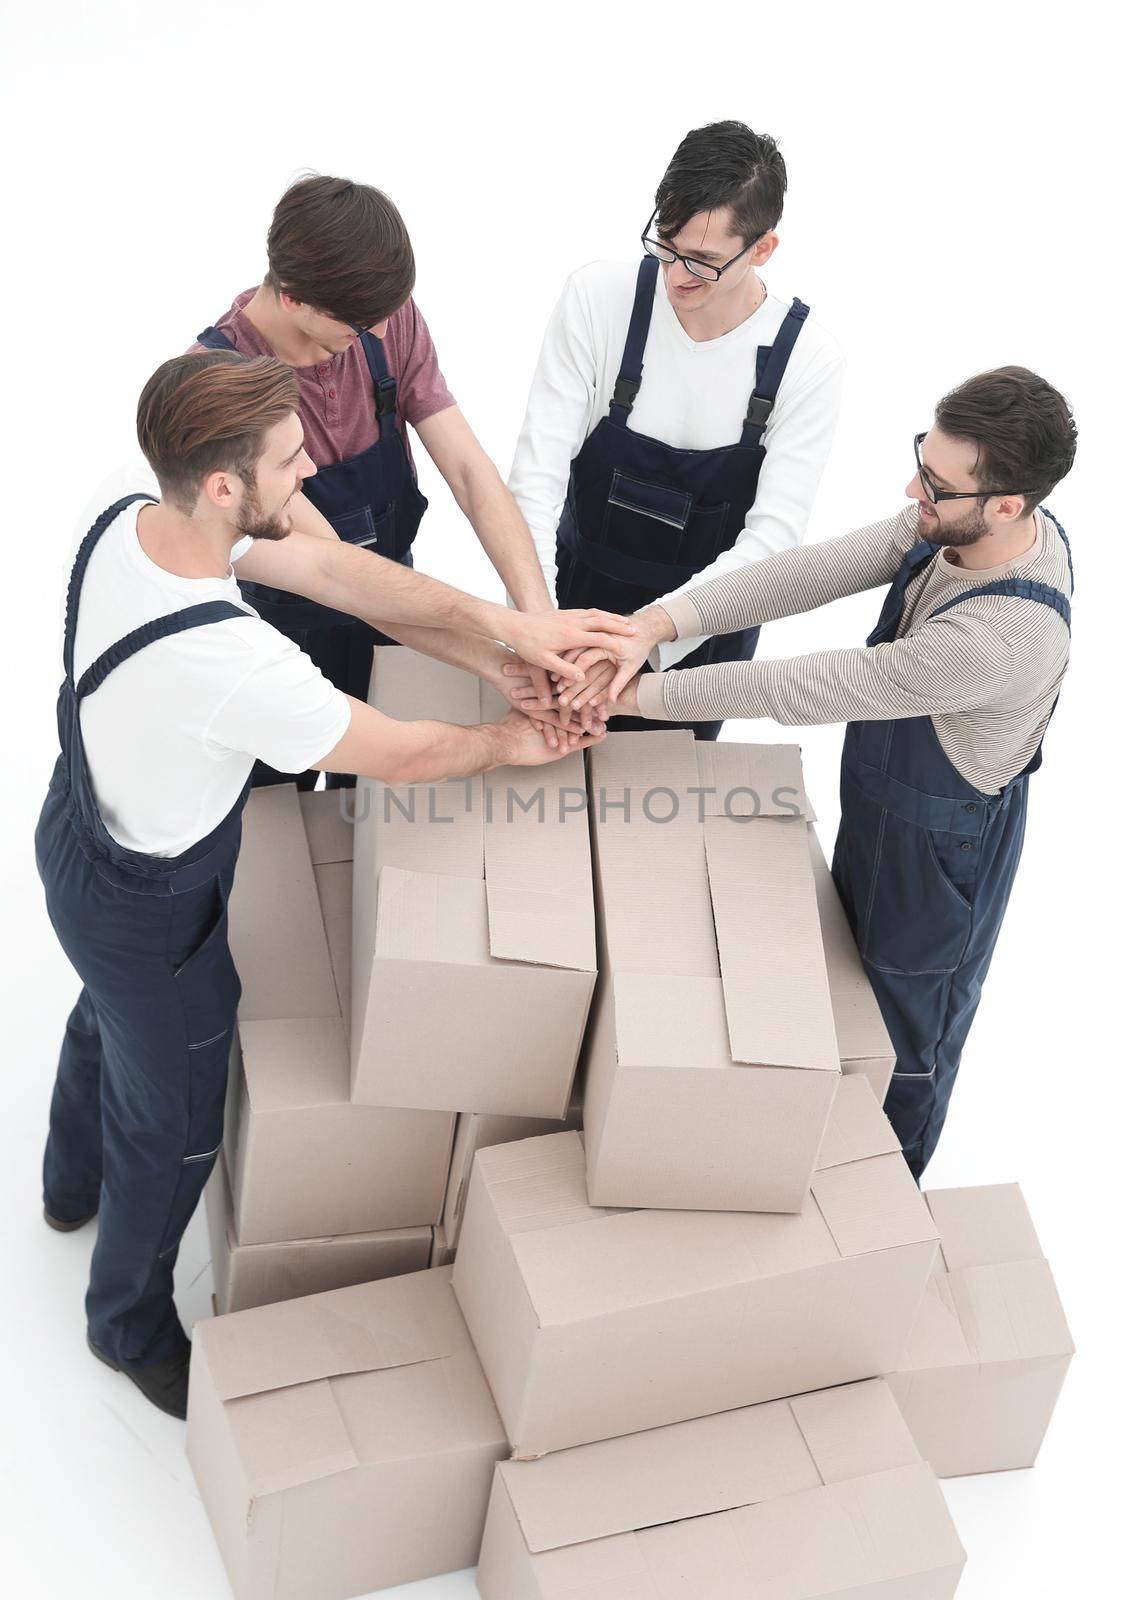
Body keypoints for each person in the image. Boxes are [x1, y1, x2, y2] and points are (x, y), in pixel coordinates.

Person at [37, 350, 623, 1418]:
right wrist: (506, 744)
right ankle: (124, 1322)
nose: (308, 473)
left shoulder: (119, 512)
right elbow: (399, 755)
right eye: (288, 460)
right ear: (225, 487)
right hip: (149, 903)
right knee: (173, 1126)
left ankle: (65, 1184)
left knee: (102, 1013)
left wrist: (506, 638)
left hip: (76, 827)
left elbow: (335, 574)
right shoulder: (234, 665)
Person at [528, 367, 1077, 1180]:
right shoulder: (955, 524)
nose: (910, 490)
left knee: (901, 1044)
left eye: (935, 484)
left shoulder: (1000, 637)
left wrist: (633, 693)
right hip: (891, 809)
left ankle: (875, 1207)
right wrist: (656, 625)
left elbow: (804, 686)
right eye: (920, 463)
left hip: (942, 857)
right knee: (840, 998)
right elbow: (816, 569)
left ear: (1007, 504)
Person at [194, 173, 560, 783]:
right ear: (293, 299)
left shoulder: (381, 316)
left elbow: (470, 472)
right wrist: (505, 656)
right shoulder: (217, 388)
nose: (385, 335)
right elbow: (337, 573)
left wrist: (537, 619)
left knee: (371, 798)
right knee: (275, 812)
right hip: (281, 629)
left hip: (395, 599)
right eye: (362, 327)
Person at [508, 120, 844, 739]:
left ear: (763, 249)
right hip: (574, 611)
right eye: (665, 246)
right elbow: (536, 475)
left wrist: (645, 644)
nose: (676, 275)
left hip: (702, 643)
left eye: (704, 261)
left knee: (660, 828)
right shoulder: (598, 299)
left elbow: (771, 543)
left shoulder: (807, 360)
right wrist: (538, 630)